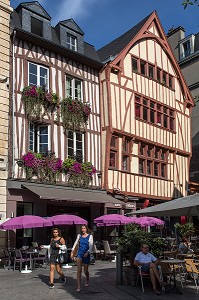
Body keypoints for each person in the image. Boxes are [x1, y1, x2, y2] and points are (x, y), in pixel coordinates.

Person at [70, 225, 93, 292]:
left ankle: (87, 279)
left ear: (86, 229)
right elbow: (75, 244)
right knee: (79, 270)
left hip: (86, 254)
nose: (83, 229)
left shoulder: (90, 236)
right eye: (82, 228)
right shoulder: (79, 236)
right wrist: (72, 251)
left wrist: (88, 252)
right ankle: (79, 286)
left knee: (85, 271)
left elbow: (91, 245)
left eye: (84, 228)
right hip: (79, 253)